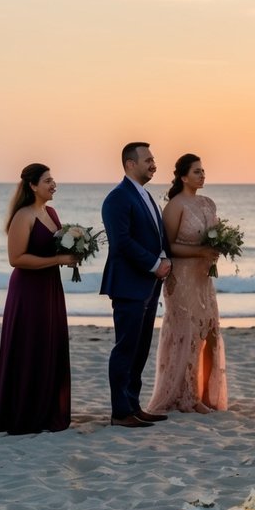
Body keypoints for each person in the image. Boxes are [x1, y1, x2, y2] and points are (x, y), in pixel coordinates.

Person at [0, 164, 77, 435]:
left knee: (49, 344)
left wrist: (74, 252)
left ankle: (47, 411)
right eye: (48, 180)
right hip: (28, 292)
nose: (54, 184)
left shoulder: (51, 212)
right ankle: (24, 415)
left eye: (53, 180)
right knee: (29, 346)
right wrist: (59, 259)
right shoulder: (23, 216)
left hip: (50, 288)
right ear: (33, 186)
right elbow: (16, 259)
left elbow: (58, 247)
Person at [148, 154, 228, 414]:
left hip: (203, 278)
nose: (202, 175)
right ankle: (187, 397)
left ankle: (205, 394)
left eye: (203, 170)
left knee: (209, 332)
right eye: (196, 171)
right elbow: (167, 246)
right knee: (187, 333)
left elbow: (213, 238)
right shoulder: (175, 205)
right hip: (181, 277)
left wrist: (220, 247)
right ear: (183, 177)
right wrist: (201, 252)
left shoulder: (208, 203)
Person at [100, 142, 172, 428]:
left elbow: (156, 236)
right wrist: (155, 265)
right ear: (130, 164)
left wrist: (166, 259)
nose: (154, 164)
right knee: (126, 347)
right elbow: (122, 242)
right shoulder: (117, 198)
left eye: (154, 159)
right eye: (148, 160)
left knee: (141, 348)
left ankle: (133, 404)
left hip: (149, 284)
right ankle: (120, 412)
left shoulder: (146, 196)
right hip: (129, 284)